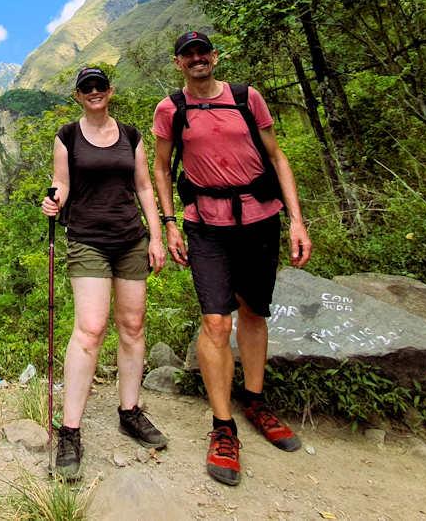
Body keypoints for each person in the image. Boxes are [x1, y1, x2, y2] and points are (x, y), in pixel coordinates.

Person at [151, 31, 312, 487]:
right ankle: (223, 426)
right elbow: (161, 168)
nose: (197, 59)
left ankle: (256, 400)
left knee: (254, 311)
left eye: (203, 52)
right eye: (188, 54)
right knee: (216, 322)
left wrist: (297, 220)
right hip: (205, 224)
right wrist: (169, 222)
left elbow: (277, 158)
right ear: (179, 63)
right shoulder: (171, 109)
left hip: (261, 218)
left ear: (214, 57)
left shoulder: (247, 98)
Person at [41, 66, 169, 480]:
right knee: (91, 329)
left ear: (110, 91)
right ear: (78, 96)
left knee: (132, 325)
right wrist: (52, 201)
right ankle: (70, 430)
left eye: (99, 86)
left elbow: (144, 187)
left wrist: (156, 236)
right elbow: (62, 182)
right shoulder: (67, 136)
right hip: (87, 239)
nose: (94, 92)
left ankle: (130, 411)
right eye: (86, 88)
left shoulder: (131, 136)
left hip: (130, 238)